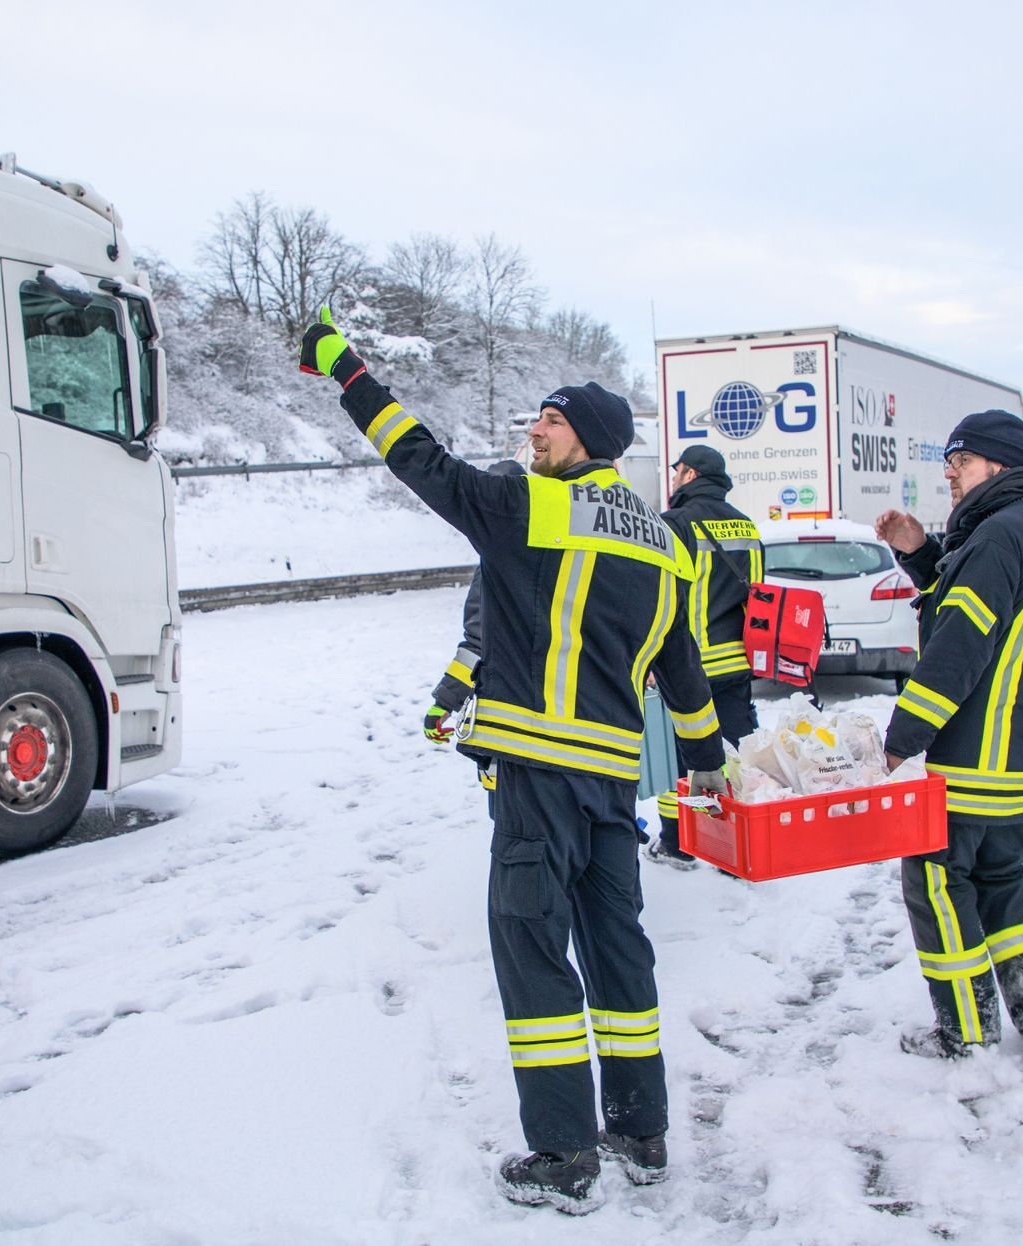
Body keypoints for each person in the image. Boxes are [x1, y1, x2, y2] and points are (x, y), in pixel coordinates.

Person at [299, 310, 725, 1214]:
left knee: (533, 954)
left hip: (536, 782)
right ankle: (642, 1134)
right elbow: (685, 678)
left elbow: (417, 458)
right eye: (536, 416)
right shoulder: (664, 542)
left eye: (551, 420)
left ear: (592, 444)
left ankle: (567, 1155)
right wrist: (706, 767)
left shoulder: (531, 508)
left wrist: (346, 368)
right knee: (620, 953)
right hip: (614, 789)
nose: (533, 429)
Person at [872, 410, 1023, 1066]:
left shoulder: (994, 537)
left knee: (933, 878)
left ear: (998, 464)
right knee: (1001, 877)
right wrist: (921, 554)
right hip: (1022, 759)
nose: (950, 472)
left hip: (973, 759)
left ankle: (966, 1028)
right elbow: (979, 607)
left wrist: (902, 738)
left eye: (961, 460)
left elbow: (959, 647)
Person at [650, 444, 763, 867]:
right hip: (738, 662)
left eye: (677, 470)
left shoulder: (675, 523)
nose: (674, 477)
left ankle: (681, 842)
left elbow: (661, 597)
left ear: (691, 475)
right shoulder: (746, 526)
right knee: (732, 757)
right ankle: (735, 844)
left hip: (688, 667)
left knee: (684, 763)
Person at [422, 459, 529, 801]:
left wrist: (442, 704)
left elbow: (478, 646)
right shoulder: (561, 549)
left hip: (509, 728)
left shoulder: (495, 564)